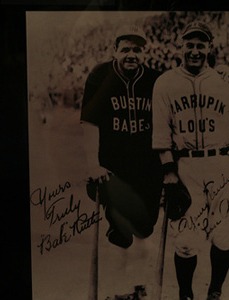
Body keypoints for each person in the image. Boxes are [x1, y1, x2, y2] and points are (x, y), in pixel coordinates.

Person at [152, 21, 229, 300]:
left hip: (225, 165)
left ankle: (215, 292)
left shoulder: (224, 80)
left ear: (210, 48)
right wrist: (169, 173)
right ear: (181, 46)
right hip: (187, 167)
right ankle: (186, 294)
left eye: (201, 45)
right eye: (190, 44)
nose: (195, 50)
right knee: (186, 241)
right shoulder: (165, 82)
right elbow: (162, 133)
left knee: (224, 236)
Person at [81, 25, 163, 248]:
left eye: (137, 50)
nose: (131, 55)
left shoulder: (156, 79)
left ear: (144, 54)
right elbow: (89, 122)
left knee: (146, 228)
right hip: (113, 166)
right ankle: (116, 220)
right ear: (114, 51)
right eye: (126, 49)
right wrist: (93, 165)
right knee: (123, 237)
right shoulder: (100, 76)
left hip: (148, 165)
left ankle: (128, 220)